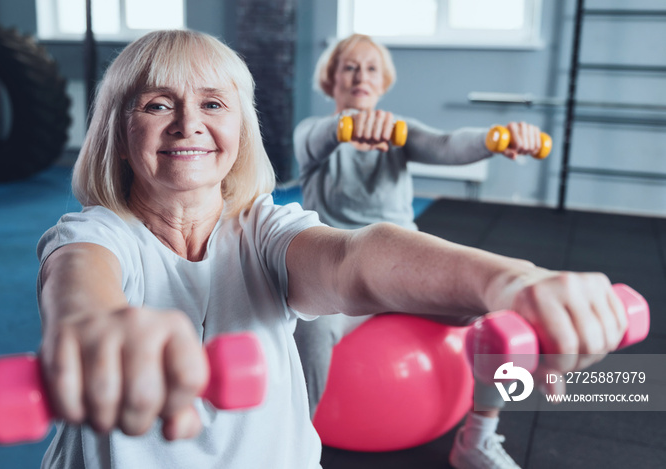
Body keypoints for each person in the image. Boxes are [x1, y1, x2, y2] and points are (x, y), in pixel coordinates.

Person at [36, 29, 626, 469]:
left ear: (238, 132)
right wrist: (96, 324)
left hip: (368, 301)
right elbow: (80, 280)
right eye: (156, 104)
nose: (188, 122)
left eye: (213, 104)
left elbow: (354, 256)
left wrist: (514, 282)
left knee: (483, 318)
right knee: (316, 333)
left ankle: (481, 430)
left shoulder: (263, 229)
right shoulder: (95, 235)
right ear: (116, 134)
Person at [293, 33, 547, 469]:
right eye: (349, 67)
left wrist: (497, 138)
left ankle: (478, 439)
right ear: (331, 79)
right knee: (311, 329)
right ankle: (293, 451)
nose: (360, 76)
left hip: (405, 270)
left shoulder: (400, 132)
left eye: (371, 68)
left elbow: (447, 145)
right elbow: (316, 137)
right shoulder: (314, 135)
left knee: (502, 318)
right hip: (341, 277)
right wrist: (344, 127)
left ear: (383, 82)